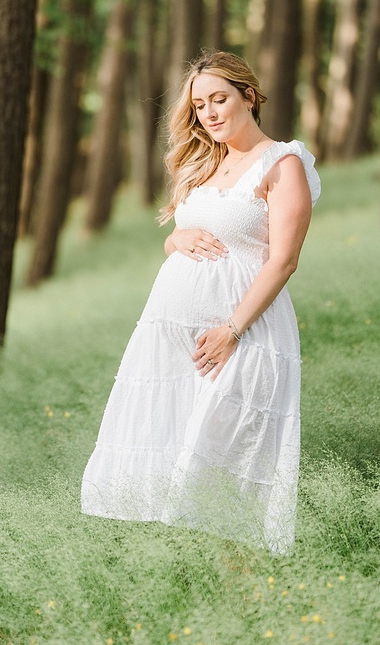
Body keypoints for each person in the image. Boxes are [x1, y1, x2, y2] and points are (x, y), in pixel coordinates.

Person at [81, 51, 321, 553]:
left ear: (249, 96)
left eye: (220, 99)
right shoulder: (204, 162)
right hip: (172, 340)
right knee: (172, 462)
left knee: (227, 465)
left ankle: (244, 589)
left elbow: (283, 260)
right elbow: (181, 236)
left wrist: (232, 331)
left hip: (242, 334)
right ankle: (188, 585)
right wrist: (175, 241)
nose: (210, 113)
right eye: (200, 105)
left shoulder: (283, 163)